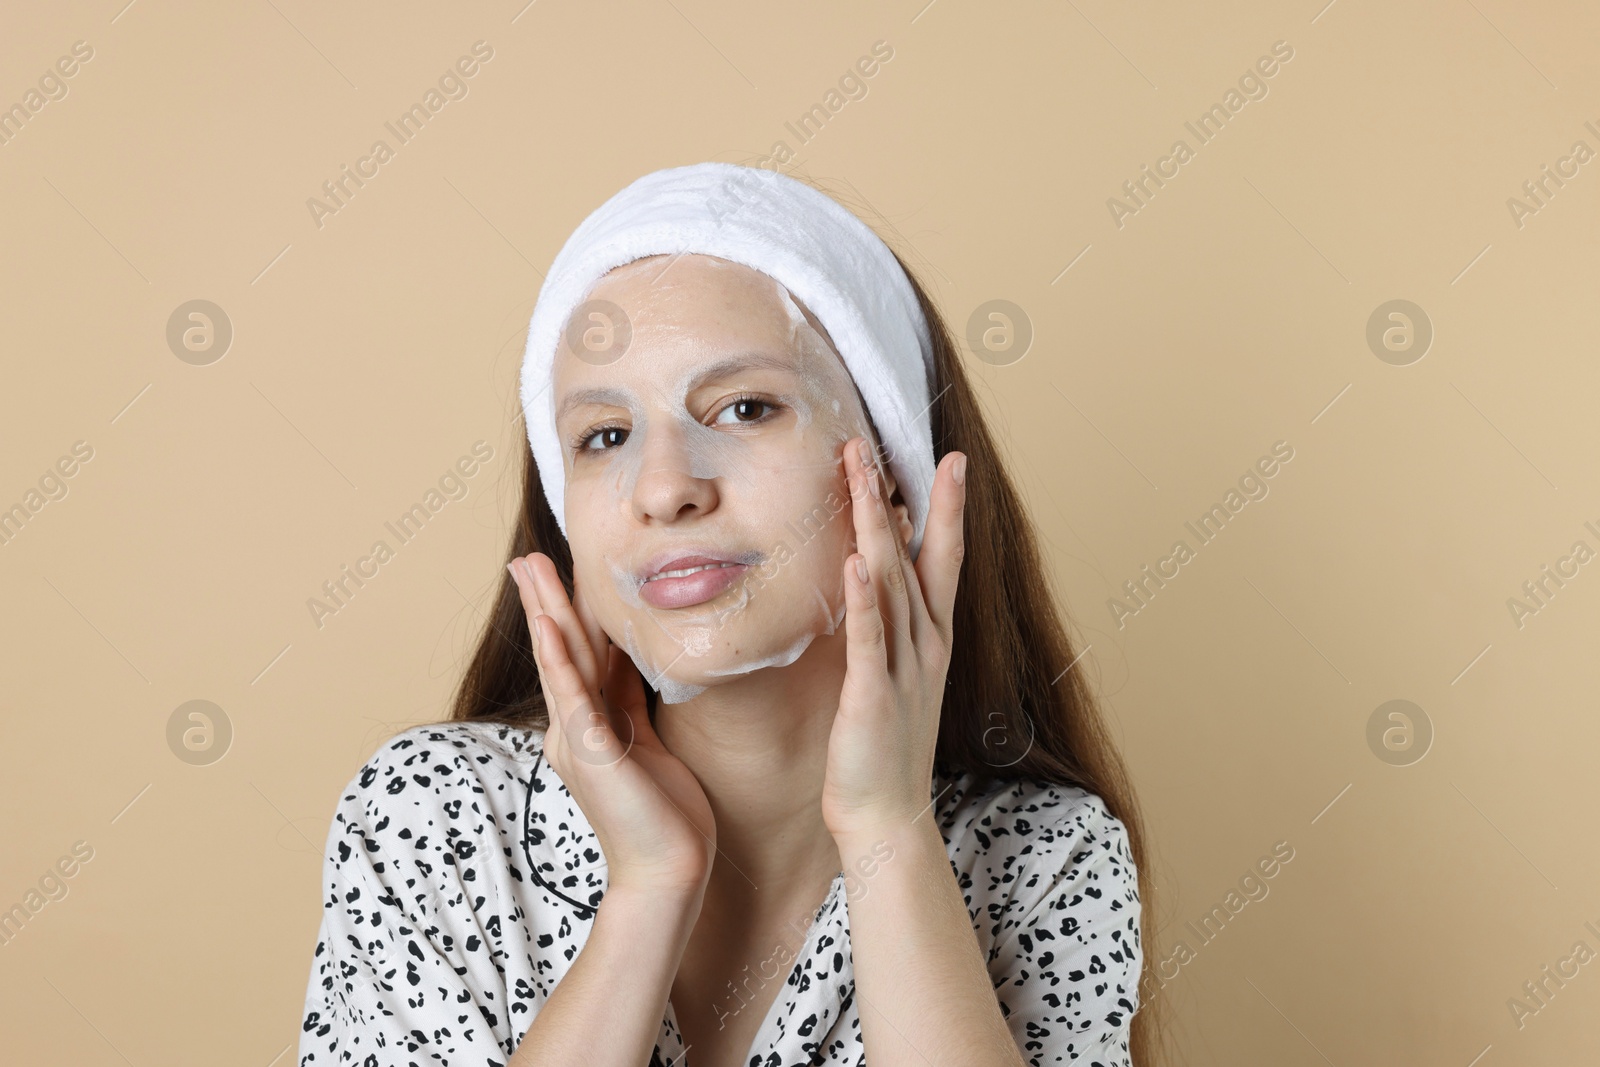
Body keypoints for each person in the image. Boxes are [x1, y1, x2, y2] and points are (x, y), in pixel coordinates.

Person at [296, 162, 1158, 1067]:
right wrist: (649, 888)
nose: (664, 488)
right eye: (604, 436)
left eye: (745, 408)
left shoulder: (1046, 860)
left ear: (896, 486)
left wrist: (887, 833)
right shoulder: (436, 816)